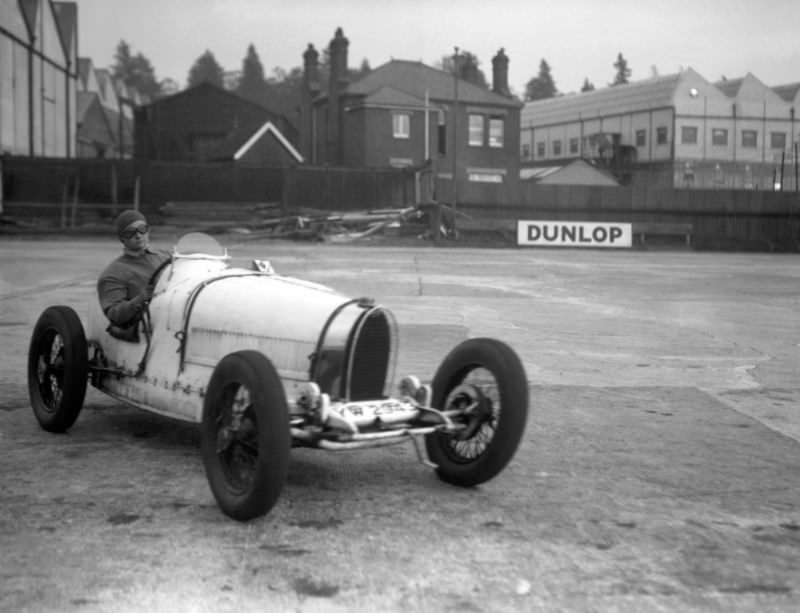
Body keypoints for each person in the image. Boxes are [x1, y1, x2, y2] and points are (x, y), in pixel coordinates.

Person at [97, 210, 170, 337]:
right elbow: (114, 314)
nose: (138, 235)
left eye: (142, 229)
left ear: (148, 231)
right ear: (122, 239)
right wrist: (141, 298)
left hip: (176, 315)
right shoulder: (113, 273)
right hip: (148, 330)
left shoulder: (165, 257)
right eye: (130, 233)